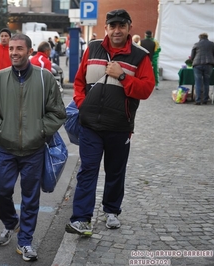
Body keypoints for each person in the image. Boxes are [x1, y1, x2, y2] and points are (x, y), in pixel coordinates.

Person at [65, 9, 155, 236]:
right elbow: (79, 81)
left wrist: (123, 76)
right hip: (91, 126)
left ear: (128, 28)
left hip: (119, 126)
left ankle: (111, 210)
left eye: (121, 26)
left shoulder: (140, 56)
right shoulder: (93, 48)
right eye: (112, 26)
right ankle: (82, 219)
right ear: (106, 28)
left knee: (115, 171)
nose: (117, 30)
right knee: (87, 171)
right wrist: (82, 104)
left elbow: (146, 90)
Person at [0, 33, 66, 261]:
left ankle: (25, 241)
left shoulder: (44, 78)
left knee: (30, 198)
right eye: (12, 49)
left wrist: (39, 131)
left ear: (29, 51)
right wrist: (0, 128)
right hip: (6, 148)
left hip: (34, 150)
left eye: (19, 49)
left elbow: (58, 112)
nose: (14, 52)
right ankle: (11, 223)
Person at [190, 33, 214, 105]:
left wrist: (193, 61)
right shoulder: (212, 44)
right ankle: (205, 99)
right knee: (206, 82)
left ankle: (198, 100)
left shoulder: (196, 44)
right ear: (207, 37)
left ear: (200, 38)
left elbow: (192, 56)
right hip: (208, 65)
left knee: (198, 82)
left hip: (197, 65)